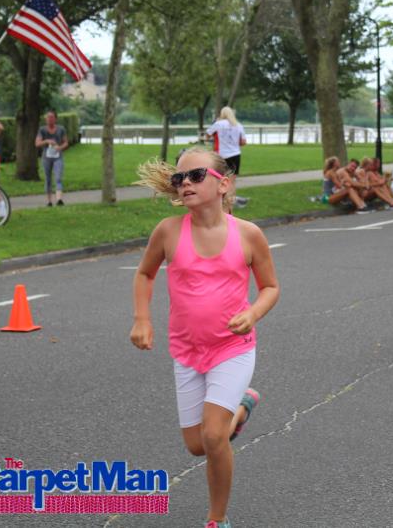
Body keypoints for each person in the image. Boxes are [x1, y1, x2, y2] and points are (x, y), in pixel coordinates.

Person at [131, 146, 280, 528]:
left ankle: (217, 518)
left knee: (214, 437)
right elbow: (145, 273)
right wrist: (142, 319)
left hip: (232, 349)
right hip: (187, 351)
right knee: (197, 445)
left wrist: (253, 313)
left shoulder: (248, 234)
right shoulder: (168, 231)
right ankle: (242, 407)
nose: (185, 184)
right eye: (179, 178)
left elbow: (270, 287)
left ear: (223, 184)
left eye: (196, 176)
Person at [206, 107, 247, 208]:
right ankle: (230, 201)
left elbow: (207, 135)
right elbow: (243, 142)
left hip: (221, 155)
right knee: (232, 180)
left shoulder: (218, 124)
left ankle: (220, 200)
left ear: (222, 114)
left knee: (219, 179)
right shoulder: (238, 125)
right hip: (235, 155)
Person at [36, 110, 69, 206]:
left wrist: (60, 148)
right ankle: (49, 201)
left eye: (51, 117)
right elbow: (37, 143)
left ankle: (59, 200)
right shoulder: (42, 130)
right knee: (48, 179)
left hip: (58, 157)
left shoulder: (61, 129)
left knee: (58, 177)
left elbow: (66, 142)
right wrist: (47, 141)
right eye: (47, 117)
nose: (49, 119)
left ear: (55, 119)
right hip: (46, 158)